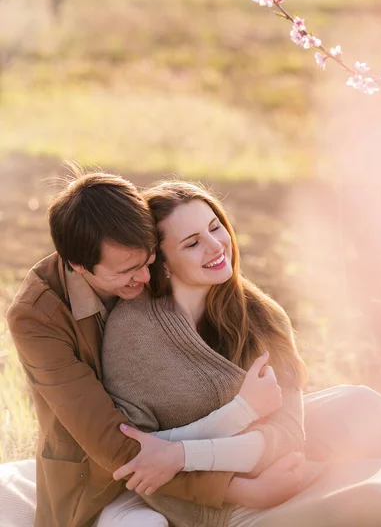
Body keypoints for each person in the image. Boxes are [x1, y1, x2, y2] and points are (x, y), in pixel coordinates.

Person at [100, 180, 381, 527]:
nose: (216, 246)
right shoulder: (133, 332)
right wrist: (243, 449)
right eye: (193, 243)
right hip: (214, 506)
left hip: (283, 476)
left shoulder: (261, 315)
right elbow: (139, 457)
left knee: (365, 410)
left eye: (215, 228)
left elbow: (289, 435)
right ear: (162, 263)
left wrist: (180, 454)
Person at [7, 170, 276, 527]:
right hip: (105, 477)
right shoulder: (36, 318)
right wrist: (236, 489)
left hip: (183, 442)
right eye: (128, 272)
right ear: (78, 265)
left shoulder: (150, 261)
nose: (147, 279)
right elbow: (116, 446)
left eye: (149, 260)